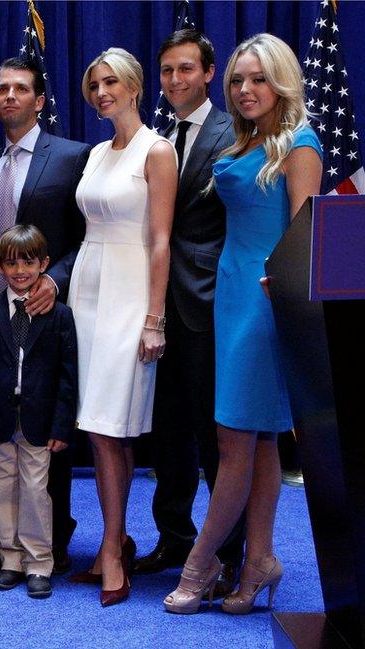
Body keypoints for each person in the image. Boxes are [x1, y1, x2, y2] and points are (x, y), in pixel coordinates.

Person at [163, 33, 322, 615]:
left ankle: (202, 562)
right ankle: (259, 560)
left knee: (233, 438)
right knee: (255, 440)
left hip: (264, 301)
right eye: (237, 80)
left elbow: (306, 237)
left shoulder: (300, 143)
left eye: (258, 79)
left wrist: (284, 289)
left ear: (280, 81)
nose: (246, 90)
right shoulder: (241, 138)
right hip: (226, 294)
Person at [133, 29, 245, 598]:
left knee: (213, 434)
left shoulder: (234, 133)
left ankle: (230, 553)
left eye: (185, 70)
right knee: (168, 435)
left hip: (208, 303)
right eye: (167, 71)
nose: (175, 80)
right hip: (152, 306)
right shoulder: (151, 139)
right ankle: (174, 538)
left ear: (208, 72)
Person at [68, 48, 177, 607]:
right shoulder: (94, 154)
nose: (102, 92)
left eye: (112, 82)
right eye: (94, 84)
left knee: (112, 426)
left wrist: (154, 319)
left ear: (135, 87)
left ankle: (112, 550)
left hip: (131, 294)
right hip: (86, 290)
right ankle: (118, 538)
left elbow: (161, 240)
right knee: (98, 425)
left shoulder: (157, 150)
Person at [0, 56, 91, 574]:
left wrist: (54, 279)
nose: (9, 97)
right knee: (3, 433)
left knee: (45, 432)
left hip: (50, 309)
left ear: (40, 100)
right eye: (2, 88)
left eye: (20, 89)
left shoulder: (71, 157)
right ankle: (8, 544)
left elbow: (89, 236)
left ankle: (51, 543)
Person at [0, 224, 77, 599]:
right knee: (4, 487)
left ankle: (39, 562)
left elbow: (67, 376)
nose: (19, 271)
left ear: (44, 264)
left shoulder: (60, 316)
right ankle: (9, 558)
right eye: (11, 264)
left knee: (34, 489)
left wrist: (62, 425)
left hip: (39, 422)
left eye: (28, 263)